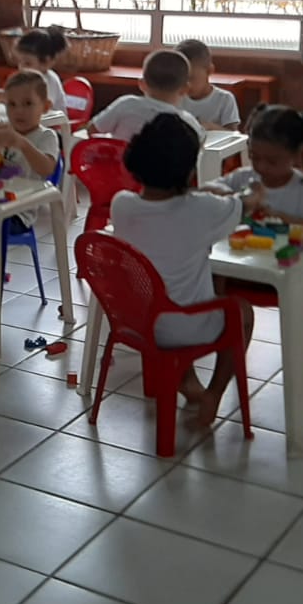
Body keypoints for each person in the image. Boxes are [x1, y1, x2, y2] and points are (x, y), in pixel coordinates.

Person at [108, 114, 260, 429]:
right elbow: (246, 203)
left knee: (179, 293)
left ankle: (190, 386)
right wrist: (256, 191)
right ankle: (214, 393)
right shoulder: (202, 210)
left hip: (135, 322)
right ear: (190, 171)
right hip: (182, 329)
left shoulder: (120, 205)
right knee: (241, 311)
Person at [207, 104, 303, 221]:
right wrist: (233, 198)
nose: (261, 166)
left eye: (272, 161)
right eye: (254, 157)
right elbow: (203, 191)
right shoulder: (242, 178)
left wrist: (274, 215)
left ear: (297, 154)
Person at [0, 70, 60, 182]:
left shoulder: (46, 136)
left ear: (45, 107)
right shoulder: (2, 129)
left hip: (33, 196)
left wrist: (21, 143)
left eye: (28, 103)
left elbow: (47, 169)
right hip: (1, 193)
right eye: (12, 104)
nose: (19, 111)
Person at [91, 49, 204, 141]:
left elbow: (92, 129)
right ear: (185, 89)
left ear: (142, 84)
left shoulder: (126, 104)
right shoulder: (188, 124)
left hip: (116, 168)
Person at [174, 39, 241, 130]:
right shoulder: (175, 98)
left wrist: (211, 127)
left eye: (190, 78)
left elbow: (233, 135)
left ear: (209, 71)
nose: (185, 84)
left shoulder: (225, 99)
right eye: (180, 78)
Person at [13, 28, 67, 114]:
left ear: (46, 62)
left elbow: (40, 108)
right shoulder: (27, 79)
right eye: (19, 62)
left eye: (28, 63)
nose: (21, 67)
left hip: (53, 125)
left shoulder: (49, 81)